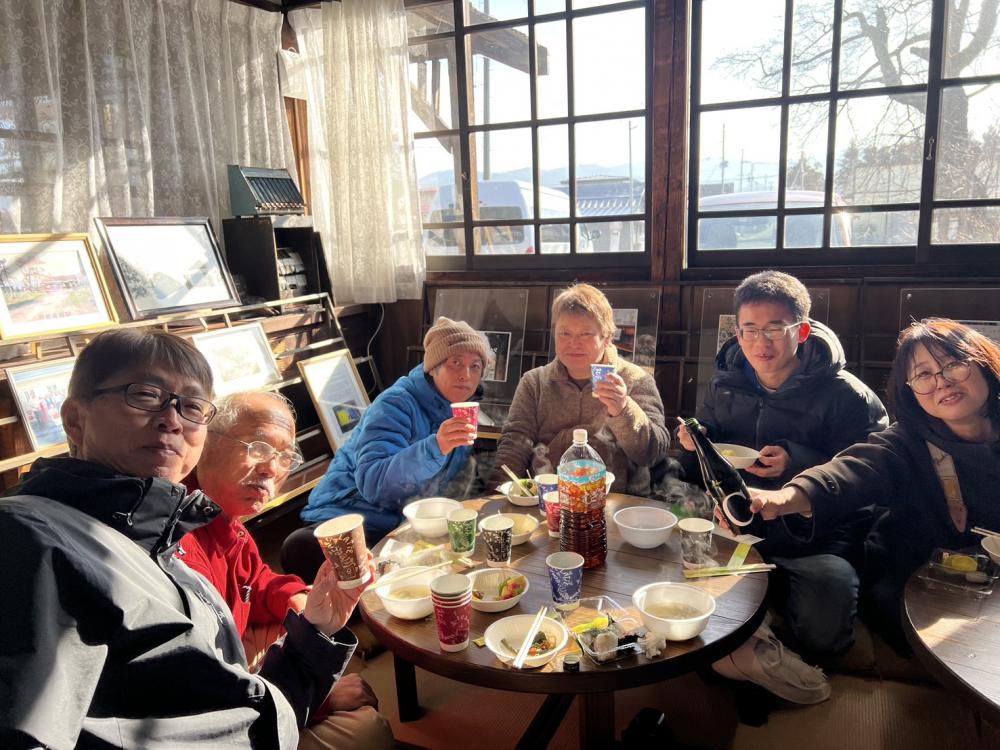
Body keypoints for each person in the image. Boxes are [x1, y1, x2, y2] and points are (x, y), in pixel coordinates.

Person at [0, 329, 373, 749]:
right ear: (75, 419)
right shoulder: (28, 538)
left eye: (191, 406)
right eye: (143, 395)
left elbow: (225, 712)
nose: (172, 419)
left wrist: (317, 628)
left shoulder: (167, 534)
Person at [750, 318, 1000, 654]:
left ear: (984, 363)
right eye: (924, 374)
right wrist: (784, 498)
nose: (941, 382)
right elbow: (855, 469)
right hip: (917, 581)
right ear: (910, 389)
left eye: (953, 365)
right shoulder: (909, 439)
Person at [678, 271, 888, 662]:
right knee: (677, 607)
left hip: (817, 541)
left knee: (825, 633)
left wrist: (798, 461)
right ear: (737, 335)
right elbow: (706, 458)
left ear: (802, 331)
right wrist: (698, 440)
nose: (761, 342)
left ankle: (769, 641)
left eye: (775, 329)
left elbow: (870, 474)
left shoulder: (848, 395)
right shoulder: (725, 384)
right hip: (737, 528)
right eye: (750, 330)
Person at [179, 390, 392, 750]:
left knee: (295, 618)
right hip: (208, 713)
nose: (272, 468)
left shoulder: (225, 520)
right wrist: (322, 698)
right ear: (205, 441)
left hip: (234, 662)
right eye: (259, 447)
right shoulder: (177, 546)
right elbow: (202, 698)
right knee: (368, 731)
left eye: (284, 456)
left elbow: (256, 582)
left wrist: (298, 597)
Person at [282, 316, 489, 580]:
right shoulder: (395, 404)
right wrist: (437, 446)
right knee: (305, 551)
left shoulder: (457, 413)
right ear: (433, 367)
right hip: (350, 513)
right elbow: (374, 484)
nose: (466, 375)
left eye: (476, 366)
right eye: (455, 362)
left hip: (402, 524)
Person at [491, 283, 670, 495]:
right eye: (564, 333)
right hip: (548, 499)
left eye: (586, 334)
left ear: (606, 338)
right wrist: (496, 497)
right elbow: (515, 444)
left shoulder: (636, 379)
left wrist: (623, 410)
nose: (573, 344)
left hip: (619, 502)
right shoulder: (534, 382)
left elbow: (653, 453)